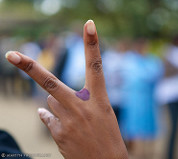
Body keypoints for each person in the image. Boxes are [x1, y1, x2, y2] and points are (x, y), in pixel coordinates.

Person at [5, 20, 128, 159]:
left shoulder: (102, 48)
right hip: (68, 84)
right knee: (64, 114)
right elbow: (60, 65)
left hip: (89, 87)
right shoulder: (67, 47)